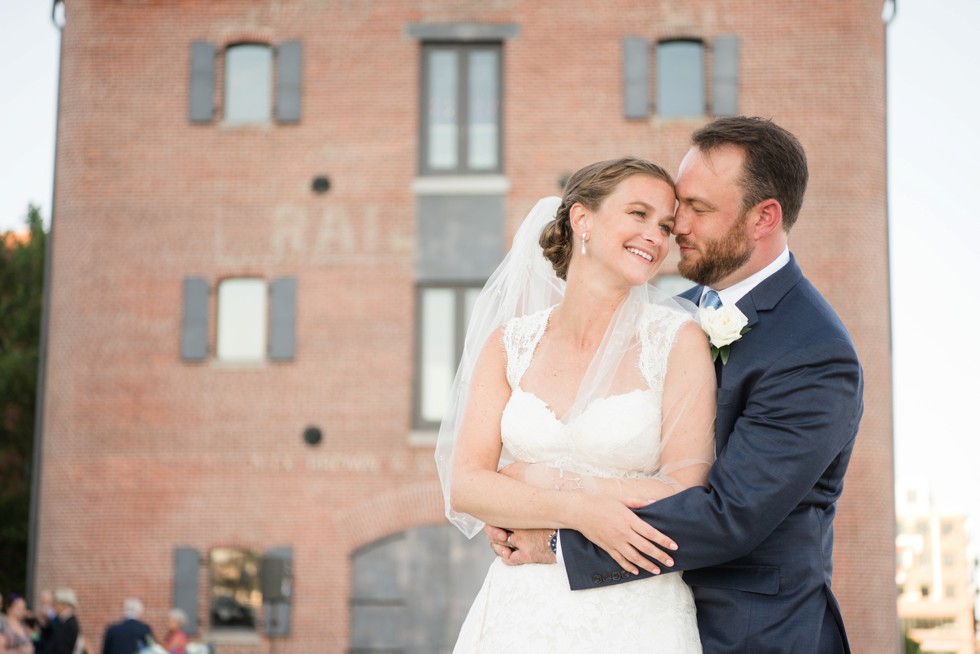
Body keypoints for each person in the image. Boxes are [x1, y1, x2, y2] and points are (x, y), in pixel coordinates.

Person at [488, 116, 865, 653]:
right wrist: (517, 506)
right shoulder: (667, 317)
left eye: (699, 209)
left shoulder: (814, 353)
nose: (675, 227)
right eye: (677, 206)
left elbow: (728, 515)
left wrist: (552, 539)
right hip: (624, 618)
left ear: (765, 218)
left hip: (751, 633)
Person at [436, 157, 718, 651]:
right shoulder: (510, 344)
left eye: (666, 225)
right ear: (581, 219)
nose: (655, 235)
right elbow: (466, 485)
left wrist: (537, 479)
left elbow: (685, 491)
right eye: (638, 214)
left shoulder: (677, 341)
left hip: (635, 609)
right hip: (516, 610)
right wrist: (578, 508)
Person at [43, 589, 79, 654]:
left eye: (56, 604)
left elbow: (62, 649)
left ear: (63, 605)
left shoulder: (69, 624)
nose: (54, 607)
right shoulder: (64, 621)